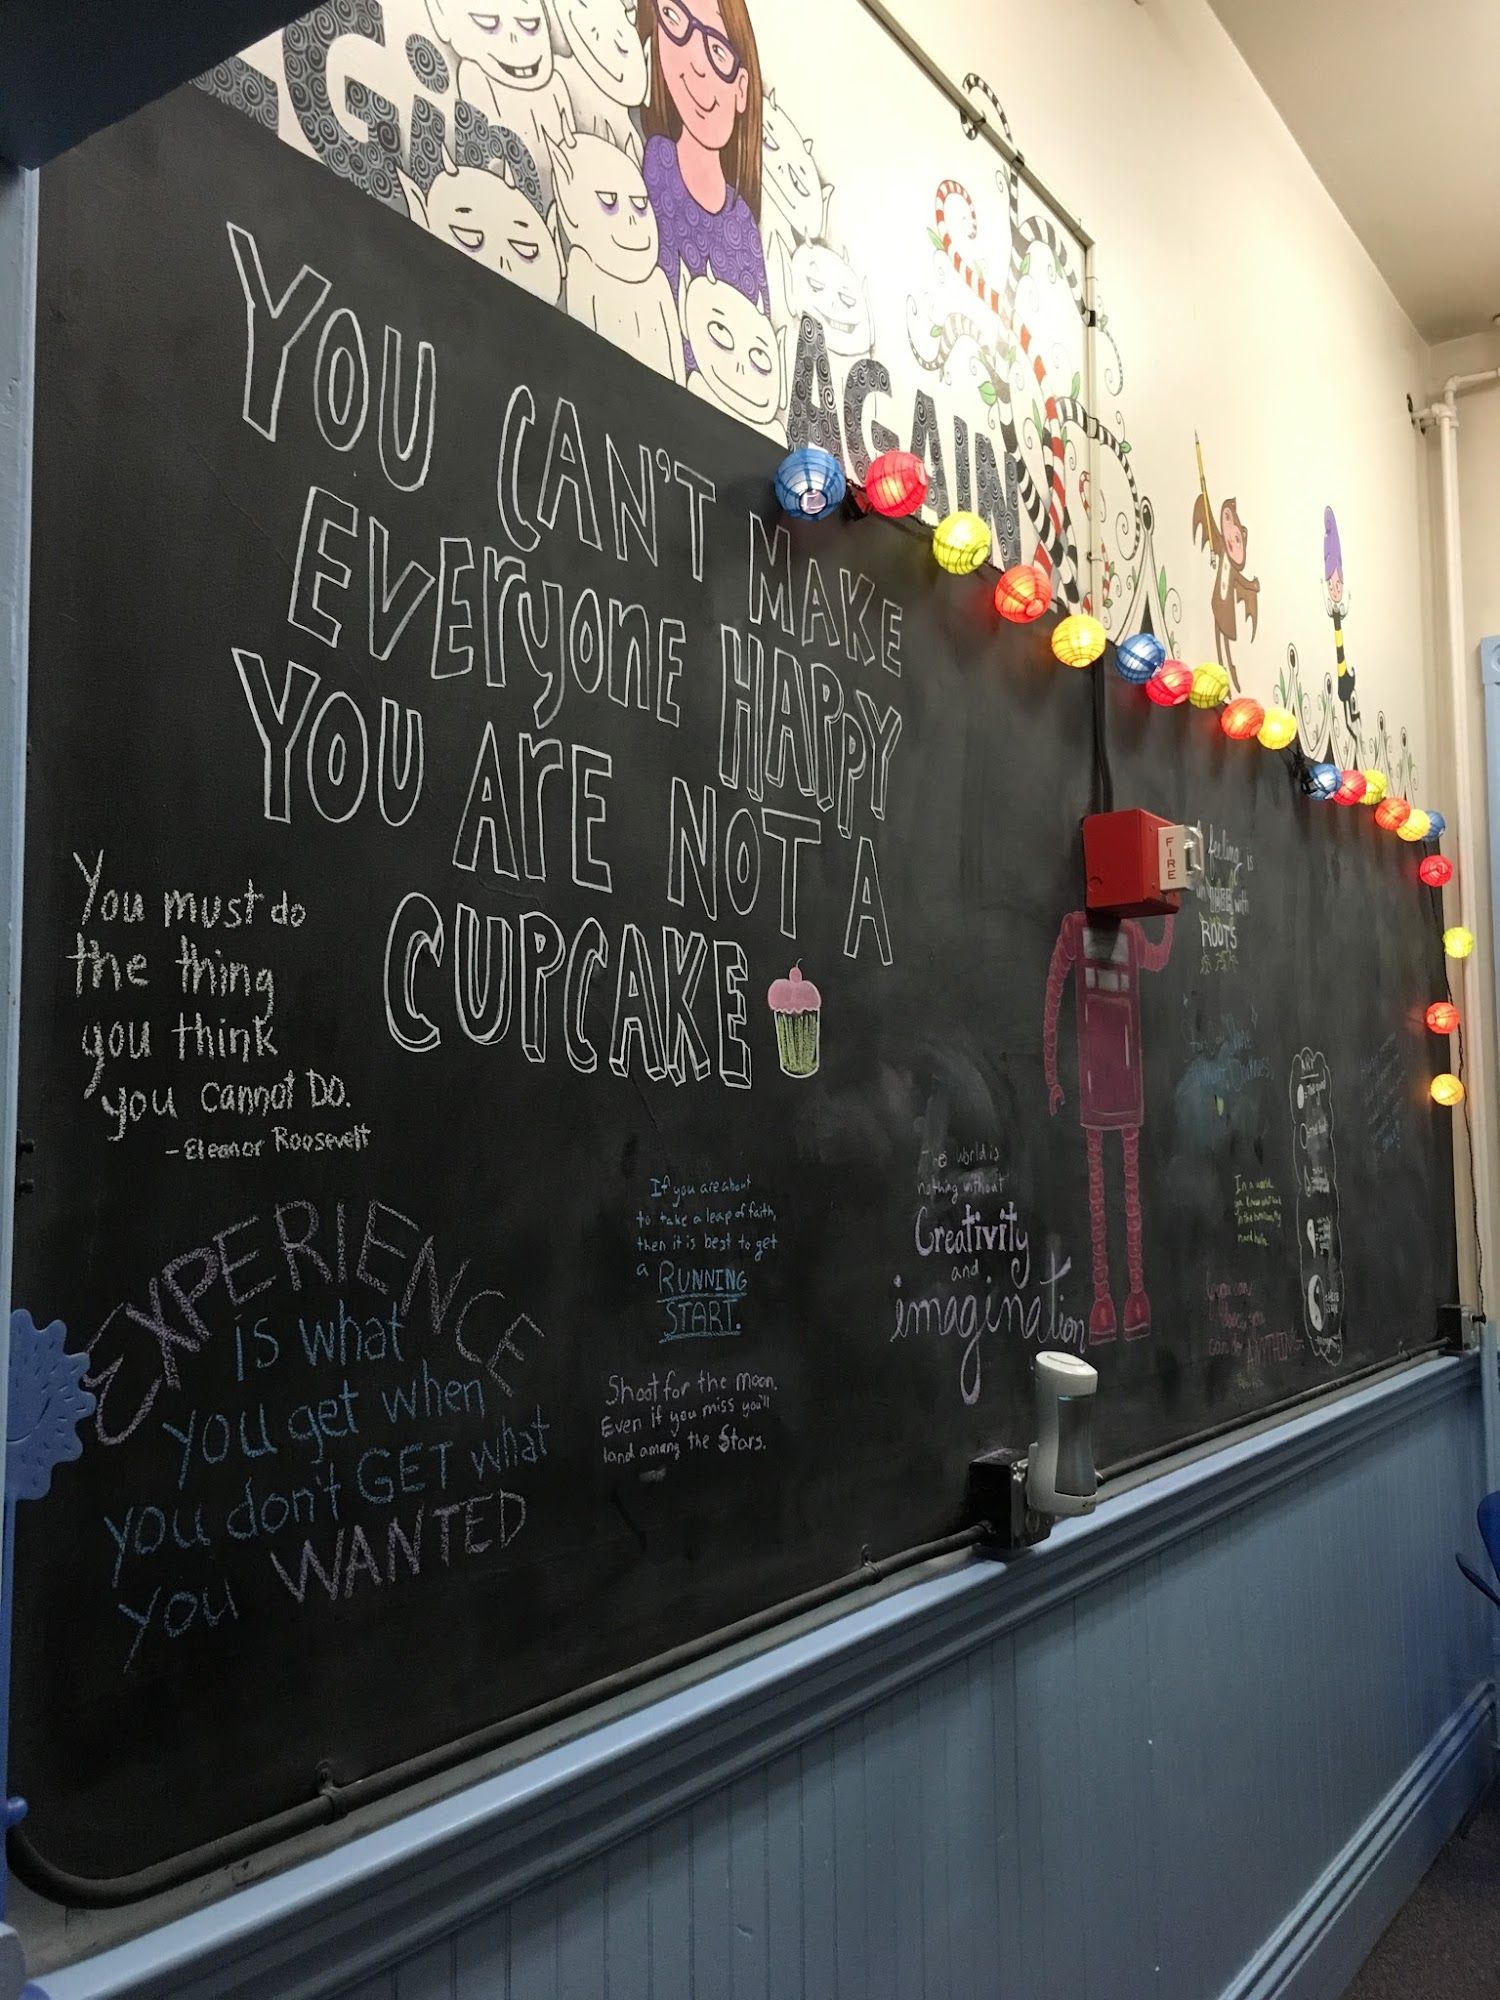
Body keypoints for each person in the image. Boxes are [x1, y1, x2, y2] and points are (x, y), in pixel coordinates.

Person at [638, 0, 770, 337]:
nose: (698, 64)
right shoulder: (657, 161)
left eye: (717, 50)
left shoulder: (744, 226)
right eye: (675, 17)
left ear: (741, 88)